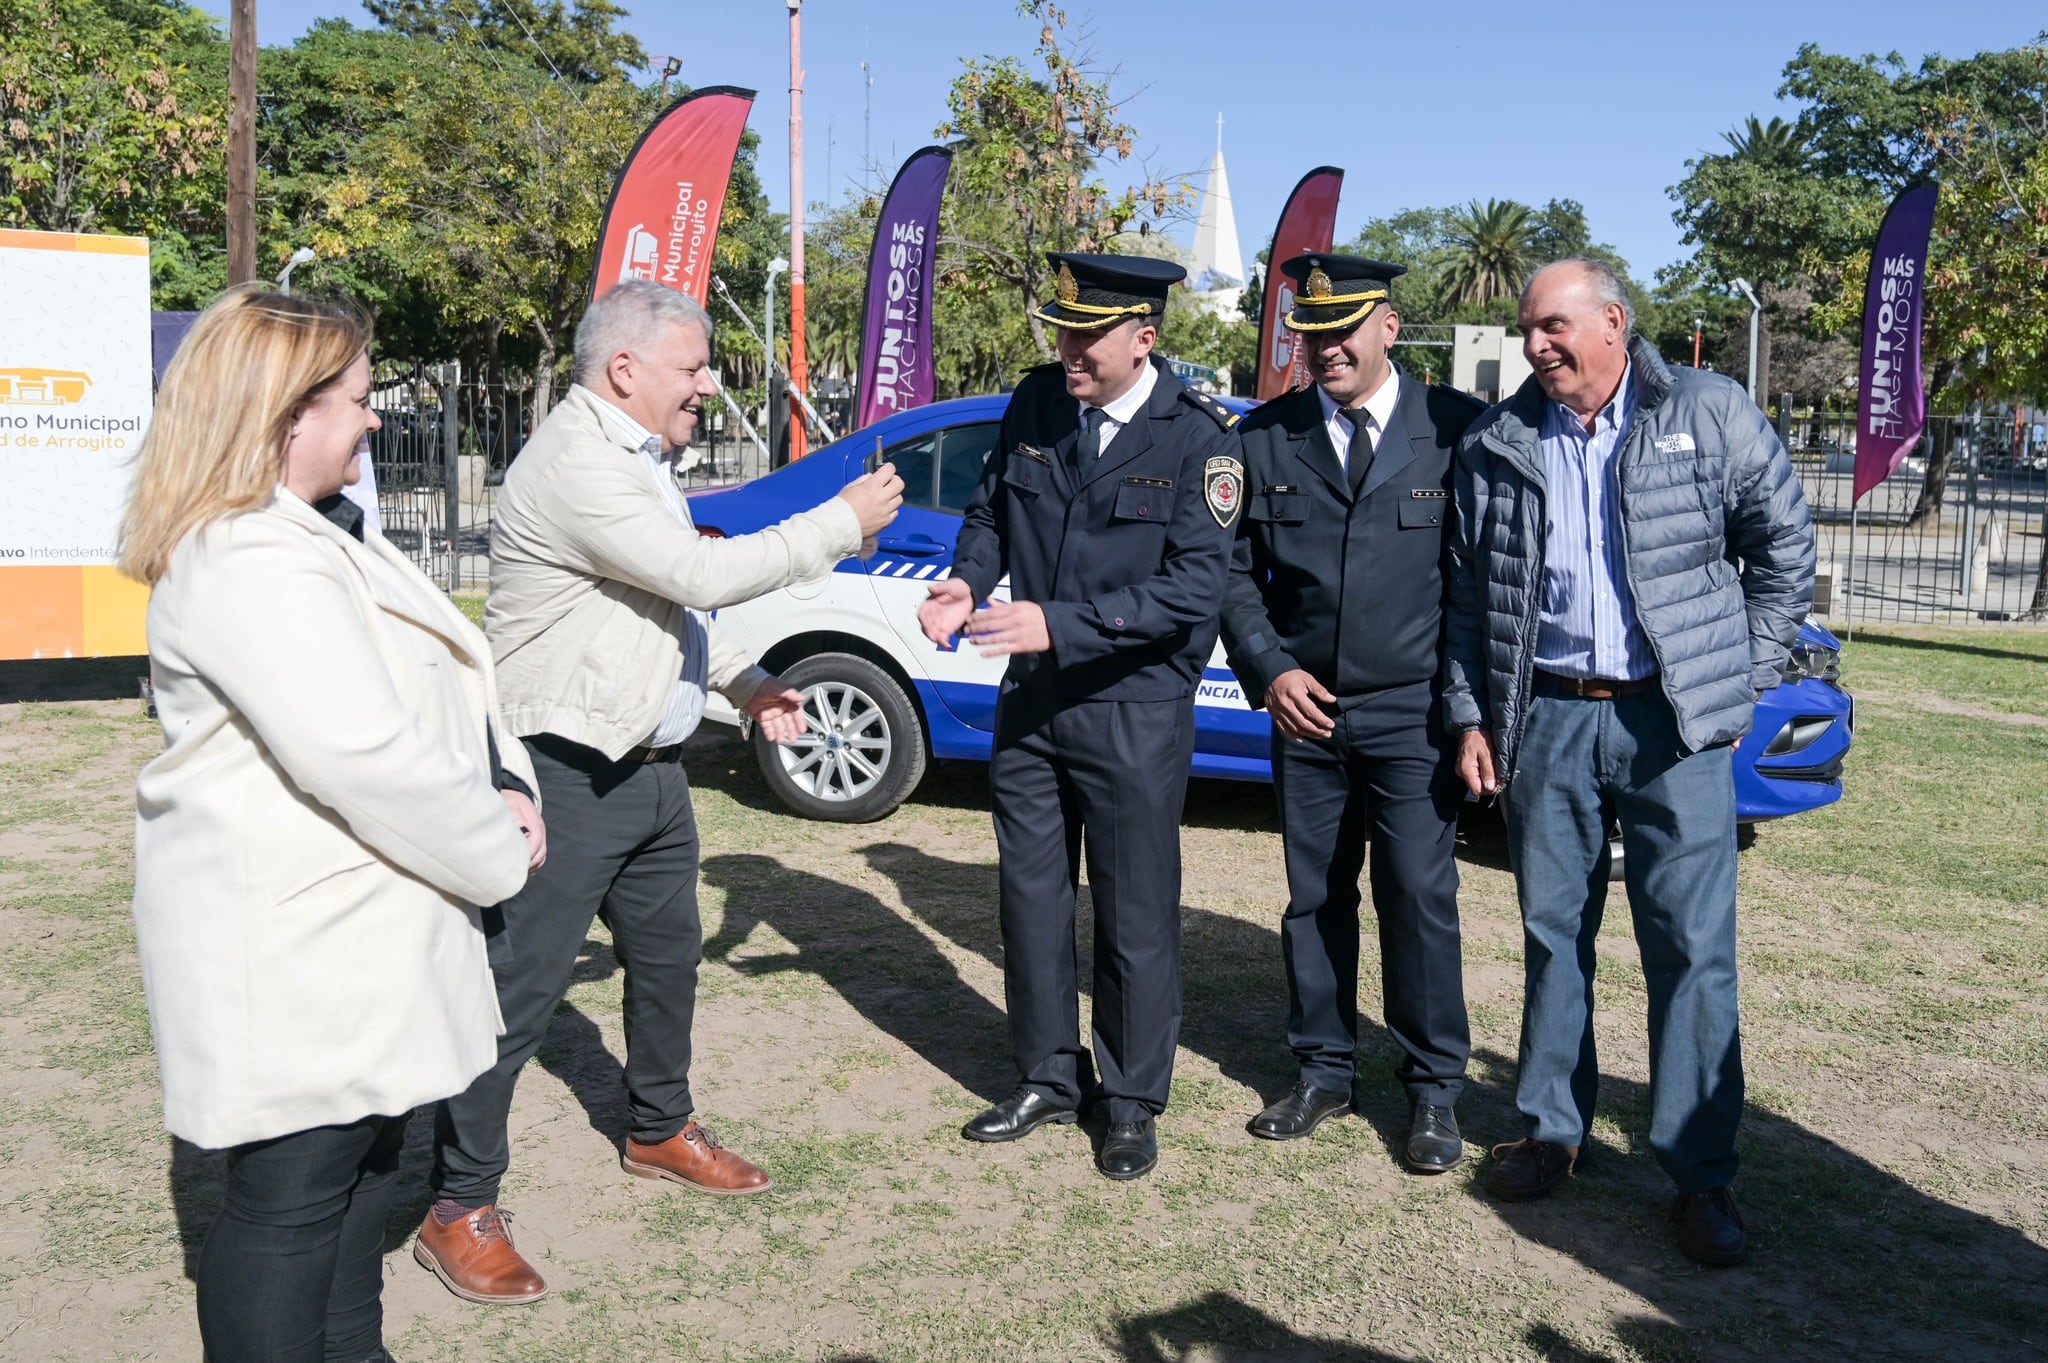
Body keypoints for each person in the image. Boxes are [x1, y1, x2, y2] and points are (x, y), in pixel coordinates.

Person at [415, 279, 904, 1303]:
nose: (706, 384)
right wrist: (838, 520)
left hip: (649, 770)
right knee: (519, 996)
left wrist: (744, 681)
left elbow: (665, 610)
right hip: (561, 774)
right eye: (691, 366)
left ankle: (658, 1128)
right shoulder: (575, 462)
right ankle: (457, 1202)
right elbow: (696, 574)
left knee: (668, 961)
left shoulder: (635, 457)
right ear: (624, 369)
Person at [122, 287, 544, 1363]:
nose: (371, 422)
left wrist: (502, 786)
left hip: (349, 942)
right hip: (300, 953)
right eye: (358, 400)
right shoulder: (250, 555)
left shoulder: (294, 536)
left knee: (358, 1182)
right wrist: (493, 850)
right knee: (293, 1202)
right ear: (283, 411)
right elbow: (367, 751)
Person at [1443, 258, 1814, 1265]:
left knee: (1689, 949)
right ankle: (1549, 1131)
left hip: (1672, 724)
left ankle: (1699, 1174)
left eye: (1553, 327)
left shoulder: (1707, 409)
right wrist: (1472, 713)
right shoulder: (1496, 439)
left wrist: (1742, 676)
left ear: (1612, 320)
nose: (1536, 347)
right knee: (1548, 932)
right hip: (1548, 722)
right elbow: (1468, 601)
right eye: (1525, 330)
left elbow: (1781, 547)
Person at [918, 253, 1240, 1182]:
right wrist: (963, 580)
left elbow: (1193, 588)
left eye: (1090, 335)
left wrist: (1054, 623)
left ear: (1145, 338)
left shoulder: (1200, 440)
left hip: (1132, 707)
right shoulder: (1036, 403)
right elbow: (988, 514)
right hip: (1032, 704)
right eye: (1063, 329)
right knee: (1031, 898)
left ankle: (1131, 1098)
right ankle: (1048, 1074)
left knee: (1135, 909)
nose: (1070, 349)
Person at [1218, 253, 1482, 1171]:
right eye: (1310, 331)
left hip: (1413, 717)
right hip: (1308, 715)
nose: (1323, 347)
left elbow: (1478, 581)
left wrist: (1467, 708)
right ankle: (1324, 1069)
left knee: (1418, 896)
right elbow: (1231, 575)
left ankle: (1433, 1091)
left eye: (1342, 331)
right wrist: (1270, 669)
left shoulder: (1454, 429)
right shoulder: (1265, 435)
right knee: (1317, 897)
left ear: (1390, 329)